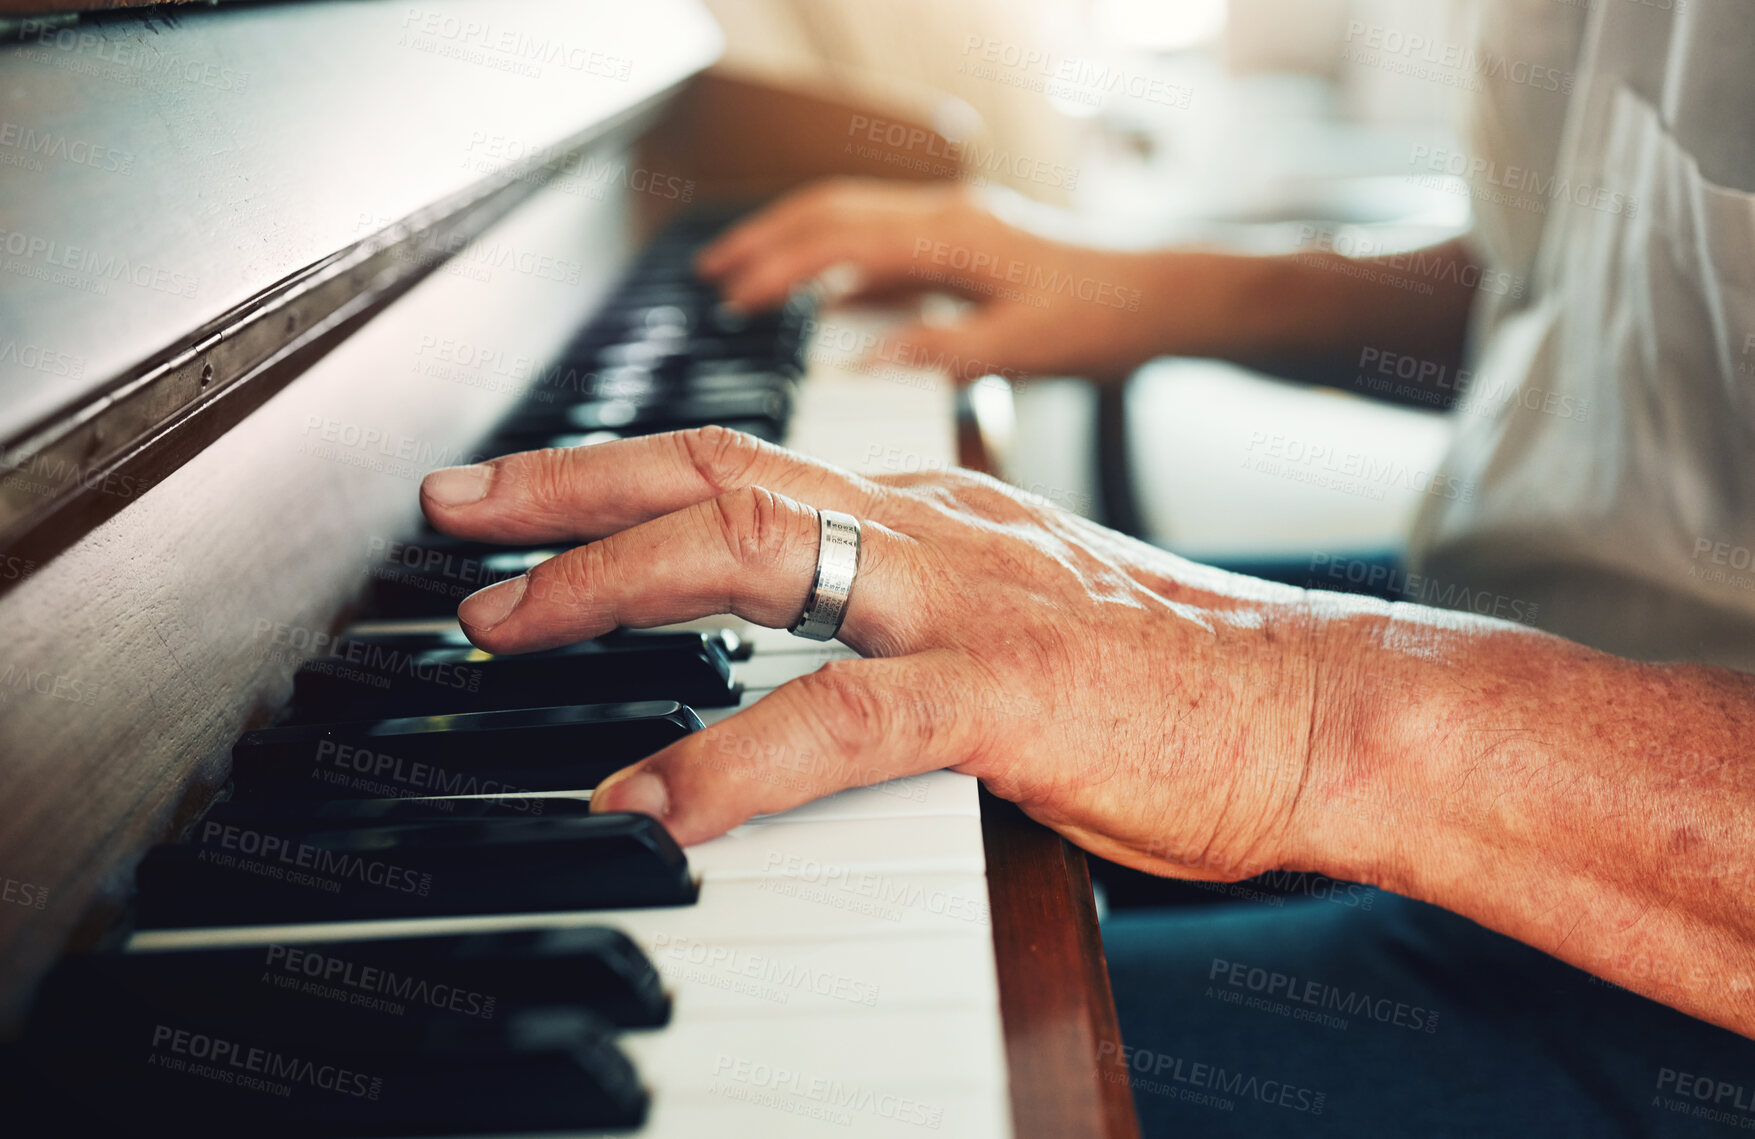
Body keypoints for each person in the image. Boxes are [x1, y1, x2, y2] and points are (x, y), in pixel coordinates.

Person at [415, 0, 1754, 1132]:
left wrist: (1297, 715)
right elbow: (1577, 287)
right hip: (1522, 611)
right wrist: (1156, 290)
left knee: (845, 1046)